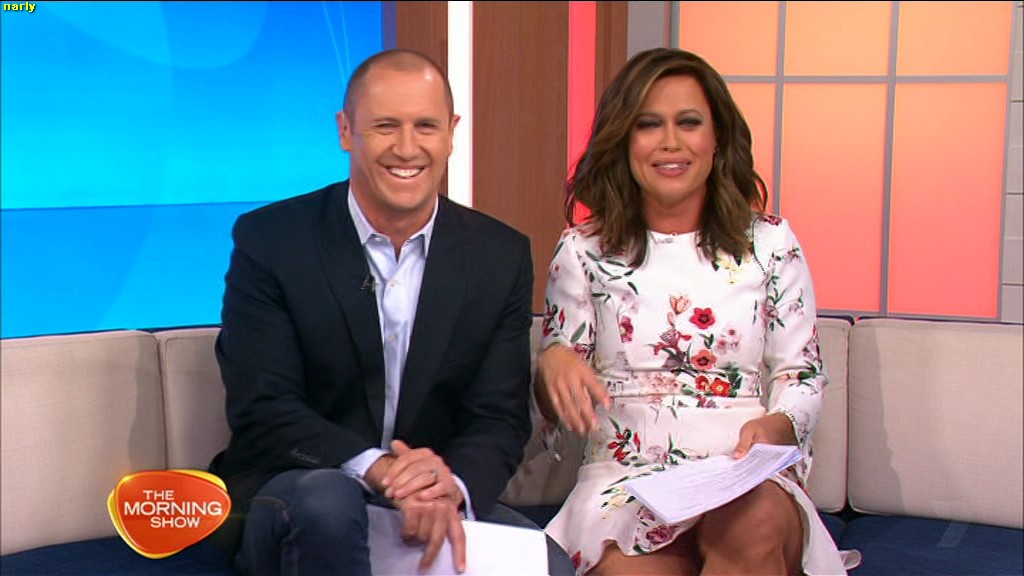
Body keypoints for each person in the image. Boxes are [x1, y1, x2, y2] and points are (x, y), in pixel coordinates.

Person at [207, 48, 571, 576]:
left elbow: (498, 417)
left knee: (548, 564)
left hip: (426, 499)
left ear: (451, 133)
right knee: (329, 505)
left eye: (425, 126)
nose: (406, 147)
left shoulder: (498, 255)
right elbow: (263, 407)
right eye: (385, 126)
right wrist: (380, 469)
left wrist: (449, 487)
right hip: (301, 490)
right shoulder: (273, 241)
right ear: (346, 131)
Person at [534, 47, 854, 575]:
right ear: (624, 139)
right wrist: (551, 363)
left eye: (689, 123)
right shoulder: (581, 250)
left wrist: (779, 424)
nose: (670, 142)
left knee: (751, 526)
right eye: (649, 124)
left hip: (743, 471)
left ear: (717, 138)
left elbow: (801, 374)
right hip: (627, 478)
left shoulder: (770, 243)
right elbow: (560, 396)